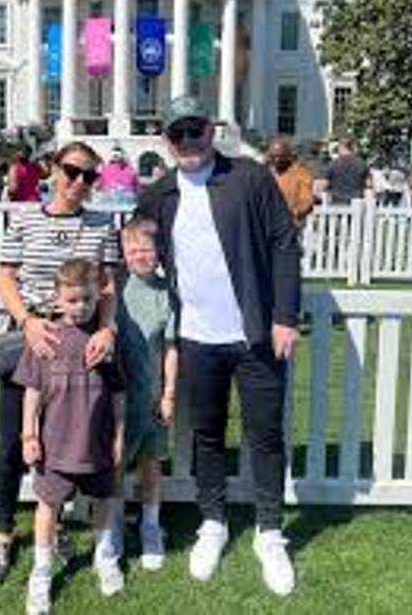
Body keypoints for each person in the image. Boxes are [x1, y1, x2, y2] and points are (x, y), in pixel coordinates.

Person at [138, 95, 301, 597]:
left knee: (265, 435)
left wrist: (284, 316)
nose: (188, 141)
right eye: (178, 133)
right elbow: (137, 252)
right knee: (206, 435)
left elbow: (283, 242)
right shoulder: (159, 194)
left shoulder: (249, 178)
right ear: (166, 140)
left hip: (254, 334)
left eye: (196, 130)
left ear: (211, 130)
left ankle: (270, 532)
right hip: (195, 339)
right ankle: (214, 521)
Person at [0, 141, 120, 584]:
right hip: (34, 338)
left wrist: (106, 328)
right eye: (72, 171)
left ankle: (56, 525)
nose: (79, 182)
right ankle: (4, 534)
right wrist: (26, 321)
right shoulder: (24, 217)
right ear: (52, 169)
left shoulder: (101, 224)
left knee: (70, 438)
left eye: (89, 176)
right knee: (13, 443)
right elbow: (5, 275)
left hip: (81, 344)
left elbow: (107, 286)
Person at [14, 258, 125, 614]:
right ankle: (42, 572)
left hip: (96, 444)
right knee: (48, 507)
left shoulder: (105, 342)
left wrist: (119, 437)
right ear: (58, 299)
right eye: (73, 300)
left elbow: (120, 394)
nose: (80, 308)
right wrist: (29, 434)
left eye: (87, 301)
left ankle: (104, 555)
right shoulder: (45, 339)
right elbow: (31, 391)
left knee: (101, 503)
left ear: (98, 299)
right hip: (55, 446)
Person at [112, 217, 178, 571]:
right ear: (123, 252)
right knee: (118, 463)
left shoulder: (168, 293)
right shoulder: (115, 292)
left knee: (151, 464)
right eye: (132, 249)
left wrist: (168, 394)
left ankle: (151, 525)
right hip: (121, 399)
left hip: (152, 397)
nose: (140, 255)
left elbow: (170, 348)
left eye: (147, 249)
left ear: (158, 252)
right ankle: (115, 525)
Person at [266, 137, 314, 227]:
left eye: (281, 156)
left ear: (288, 156)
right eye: (273, 156)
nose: (277, 160)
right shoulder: (264, 173)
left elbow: (306, 201)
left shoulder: (300, 174)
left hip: (289, 225)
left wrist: (293, 212)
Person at [322, 138, 371, 205]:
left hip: (338, 203)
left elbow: (325, 184)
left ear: (341, 147)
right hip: (357, 203)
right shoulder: (362, 164)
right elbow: (369, 184)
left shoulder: (333, 164)